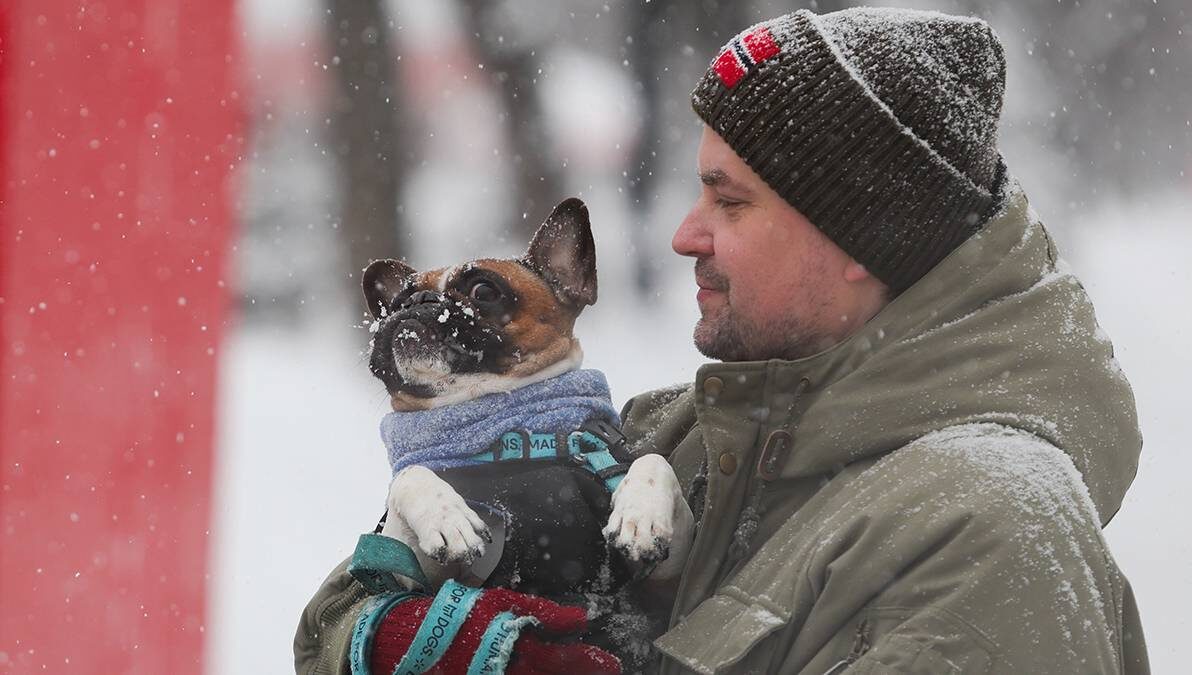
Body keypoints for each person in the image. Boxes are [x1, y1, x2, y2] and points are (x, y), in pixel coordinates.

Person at [297, 7, 1149, 673]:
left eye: (728, 201)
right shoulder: (684, 437)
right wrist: (384, 632)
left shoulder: (989, 533)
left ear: (859, 237)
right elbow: (330, 621)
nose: (683, 234)